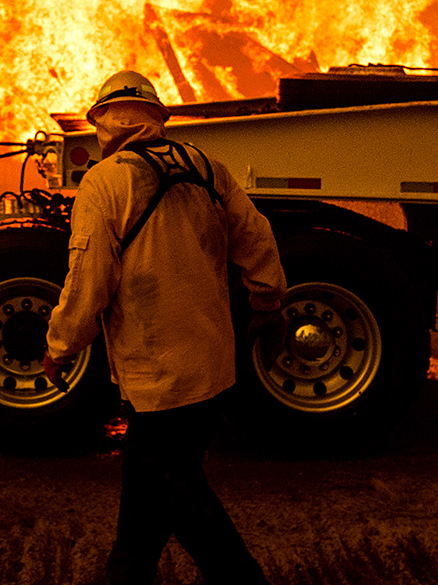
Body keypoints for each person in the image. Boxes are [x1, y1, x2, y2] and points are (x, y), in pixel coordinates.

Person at [42, 70, 288, 585]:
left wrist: (60, 346)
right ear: (158, 118)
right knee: (147, 492)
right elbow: (258, 237)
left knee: (176, 490)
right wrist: (268, 304)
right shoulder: (207, 167)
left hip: (158, 377)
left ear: (102, 125)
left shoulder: (104, 182)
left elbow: (89, 279)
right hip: (213, 368)